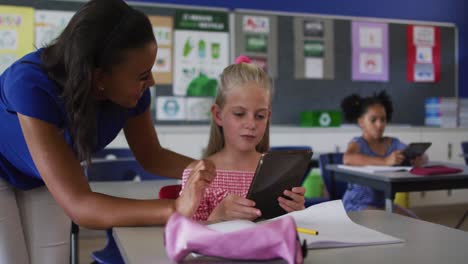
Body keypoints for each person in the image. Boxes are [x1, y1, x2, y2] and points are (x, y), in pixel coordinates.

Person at [0, 1, 215, 263]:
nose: (151, 82)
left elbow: (151, 155)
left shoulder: (130, 94)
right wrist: (174, 208)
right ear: (99, 78)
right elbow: (80, 204)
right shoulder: (29, 84)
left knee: (51, 260)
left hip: (43, 178)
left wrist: (207, 171)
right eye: (142, 75)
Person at [181, 57, 306, 222]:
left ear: (268, 117)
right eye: (239, 114)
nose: (251, 124)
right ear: (218, 115)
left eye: (260, 116)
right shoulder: (197, 175)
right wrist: (216, 217)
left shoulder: (278, 174)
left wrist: (298, 213)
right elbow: (184, 235)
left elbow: (292, 229)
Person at [340, 91, 427, 214]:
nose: (379, 125)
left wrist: (420, 158)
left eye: (383, 119)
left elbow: (419, 155)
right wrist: (385, 161)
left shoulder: (393, 143)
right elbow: (348, 158)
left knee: (415, 224)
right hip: (357, 205)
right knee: (386, 222)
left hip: (384, 205)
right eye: (373, 120)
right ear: (361, 122)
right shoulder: (358, 143)